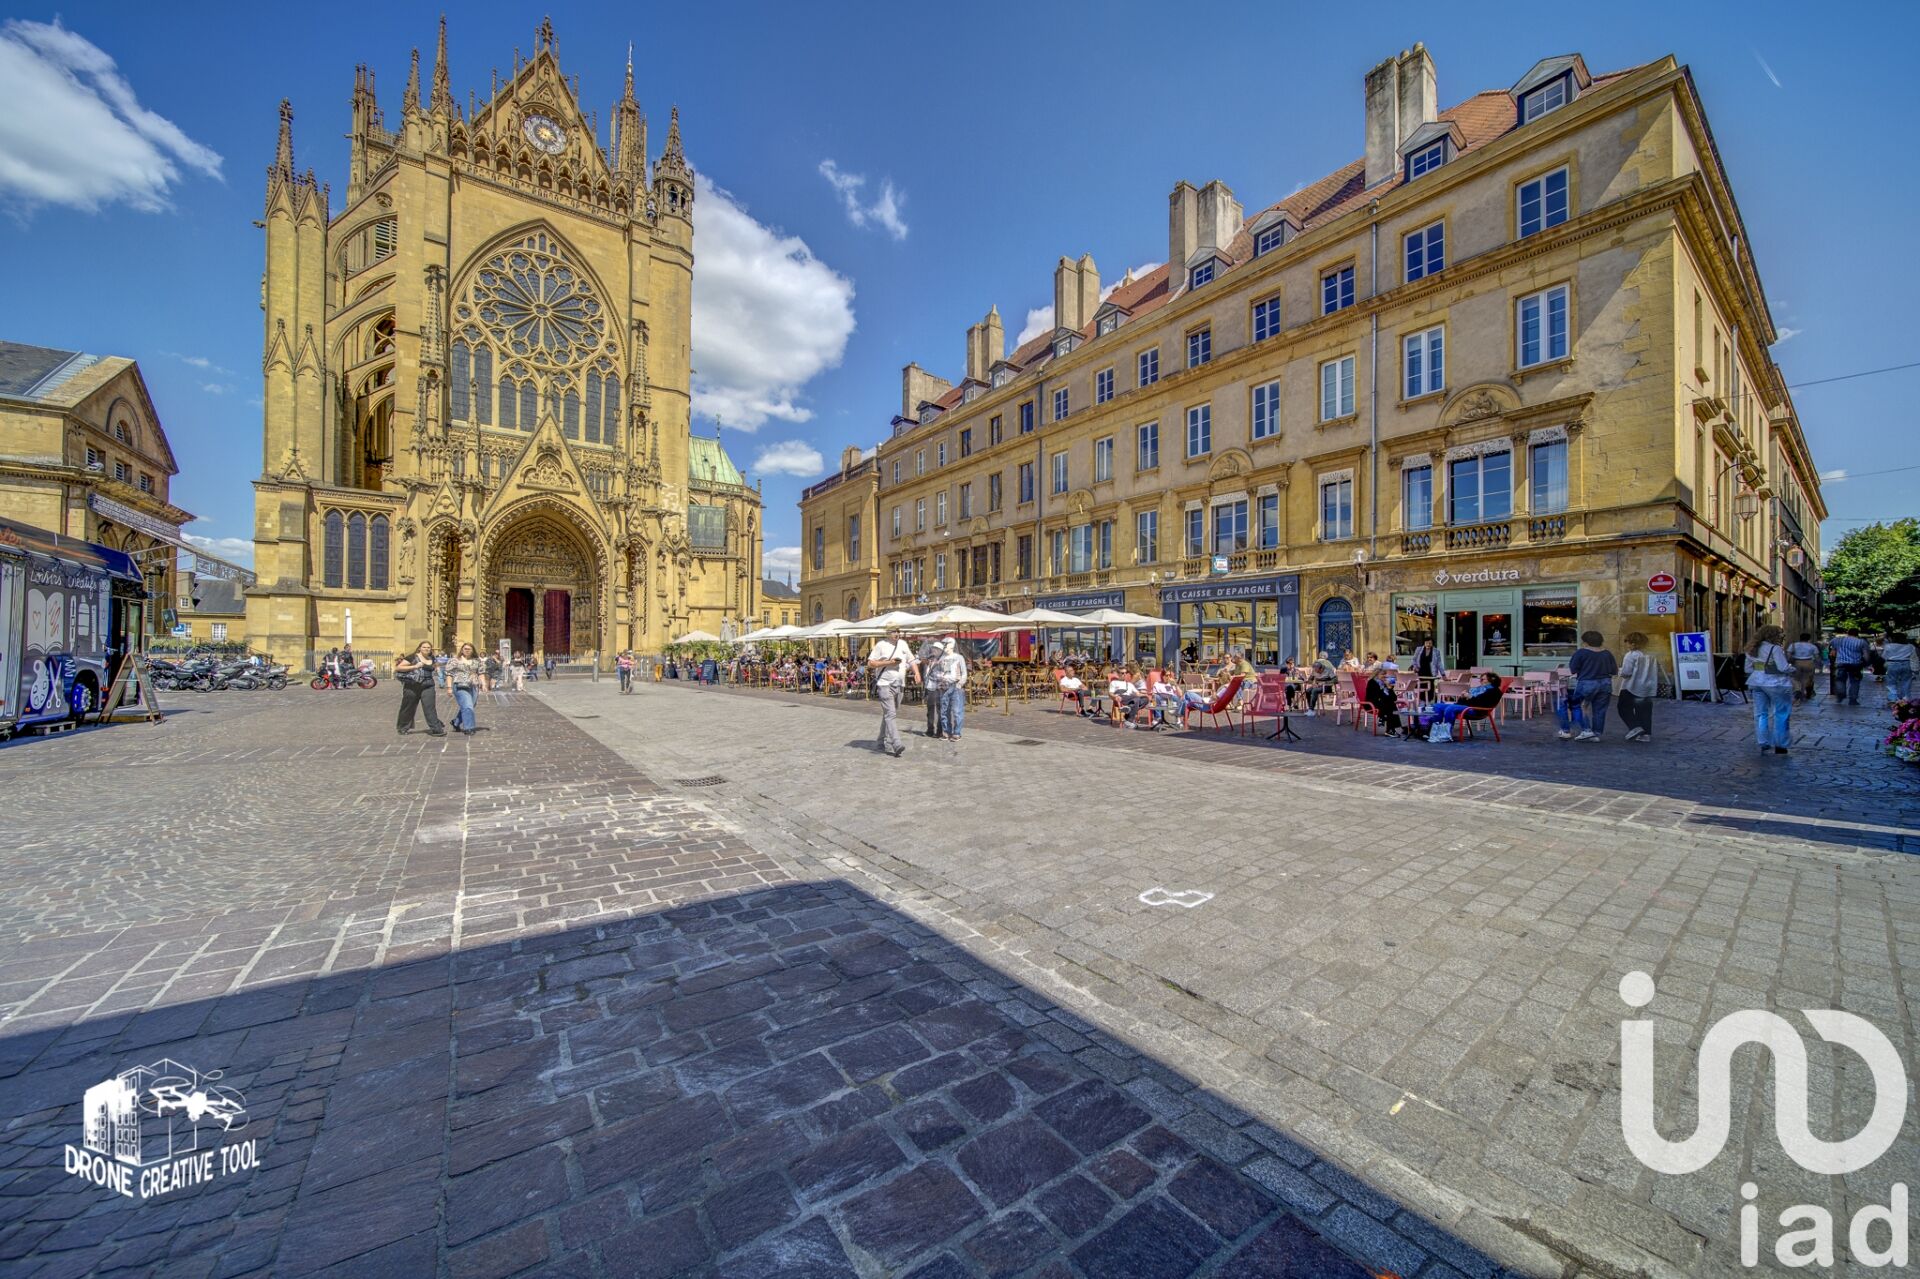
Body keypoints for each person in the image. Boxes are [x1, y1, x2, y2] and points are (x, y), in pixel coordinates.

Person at [866, 624, 917, 757]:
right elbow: (870, 663)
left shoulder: (903, 644)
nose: (897, 633)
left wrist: (917, 673)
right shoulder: (881, 645)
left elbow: (911, 659)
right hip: (884, 684)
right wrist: (889, 663)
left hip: (899, 685)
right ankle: (896, 743)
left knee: (888, 715)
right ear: (888, 633)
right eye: (894, 631)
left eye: (898, 631)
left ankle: (880, 741)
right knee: (891, 714)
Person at [1558, 630, 1617, 742]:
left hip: (1587, 682)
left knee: (1579, 706)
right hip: (1605, 683)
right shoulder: (1607, 654)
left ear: (1586, 642)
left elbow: (1573, 669)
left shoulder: (1581, 653)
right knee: (1600, 709)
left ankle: (1586, 730)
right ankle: (1596, 733)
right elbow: (1613, 670)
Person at [1745, 624, 1795, 754]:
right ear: (1773, 635)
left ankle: (1763, 741)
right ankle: (1781, 744)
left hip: (1756, 682)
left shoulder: (1752, 648)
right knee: (1781, 713)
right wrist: (1793, 669)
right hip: (1776, 683)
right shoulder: (1775, 648)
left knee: (1760, 713)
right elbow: (1783, 667)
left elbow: (1748, 669)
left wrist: (1760, 668)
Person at [394, 641, 447, 736]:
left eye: (428, 647)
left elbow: (434, 667)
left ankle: (436, 728)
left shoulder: (432, 658)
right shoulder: (412, 657)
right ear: (419, 648)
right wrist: (414, 666)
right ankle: (403, 727)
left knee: (429, 707)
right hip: (412, 685)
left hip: (428, 685)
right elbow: (398, 668)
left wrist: (437, 668)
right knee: (408, 707)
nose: (426, 649)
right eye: (424, 647)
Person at [1617, 631, 1658, 742]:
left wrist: (1619, 671)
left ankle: (1635, 727)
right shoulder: (1650, 655)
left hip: (1631, 686)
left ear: (1633, 643)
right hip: (1646, 687)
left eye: (1627, 643)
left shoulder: (1630, 655)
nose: (1626, 645)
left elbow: (1626, 672)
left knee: (1623, 708)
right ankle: (1646, 734)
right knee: (1644, 711)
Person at [933, 639, 969, 741]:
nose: (944, 646)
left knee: (957, 711)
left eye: (946, 644)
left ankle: (957, 732)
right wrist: (940, 677)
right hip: (944, 687)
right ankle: (946, 732)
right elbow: (937, 672)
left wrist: (960, 684)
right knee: (944, 711)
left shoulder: (959, 657)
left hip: (955, 686)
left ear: (951, 645)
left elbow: (964, 673)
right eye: (943, 644)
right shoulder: (942, 658)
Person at [447, 642, 483, 735]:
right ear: (462, 650)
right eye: (465, 649)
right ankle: (469, 728)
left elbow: (481, 673)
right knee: (468, 706)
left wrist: (484, 684)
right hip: (460, 685)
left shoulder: (477, 661)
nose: (467, 650)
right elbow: (449, 674)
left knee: (469, 706)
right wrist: (449, 687)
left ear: (473, 650)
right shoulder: (455, 660)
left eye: (469, 649)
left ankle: (456, 722)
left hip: (474, 686)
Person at [921, 637, 951, 739]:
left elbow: (947, 673)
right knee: (930, 709)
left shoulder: (946, 659)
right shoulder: (931, 659)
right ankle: (930, 730)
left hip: (940, 687)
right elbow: (926, 671)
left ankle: (939, 731)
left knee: (940, 709)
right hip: (930, 686)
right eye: (933, 649)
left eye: (935, 649)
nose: (933, 650)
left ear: (940, 650)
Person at [1831, 627, 1869, 705]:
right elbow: (1866, 655)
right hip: (1855, 664)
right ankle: (1853, 699)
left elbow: (1832, 650)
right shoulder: (1862, 642)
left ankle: (1840, 695)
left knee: (1840, 680)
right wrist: (1867, 663)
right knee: (1855, 682)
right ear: (1857, 634)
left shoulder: (1837, 640)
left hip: (1841, 663)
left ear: (1848, 633)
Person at [1785, 632, 1820, 703]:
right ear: (1809, 639)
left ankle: (1797, 689)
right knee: (1807, 678)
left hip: (1797, 662)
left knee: (1795, 678)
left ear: (1800, 638)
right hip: (1809, 662)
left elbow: (1788, 654)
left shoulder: (1793, 645)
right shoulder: (1812, 646)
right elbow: (1816, 656)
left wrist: (1789, 661)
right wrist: (1817, 664)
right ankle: (1804, 692)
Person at [1883, 632, 1916, 704]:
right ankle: (1905, 698)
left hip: (1892, 664)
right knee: (1906, 682)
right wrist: (1915, 669)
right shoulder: (1910, 646)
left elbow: (1884, 656)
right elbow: (1914, 657)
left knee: (1891, 682)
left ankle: (1893, 698)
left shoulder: (1888, 646)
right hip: (1906, 664)